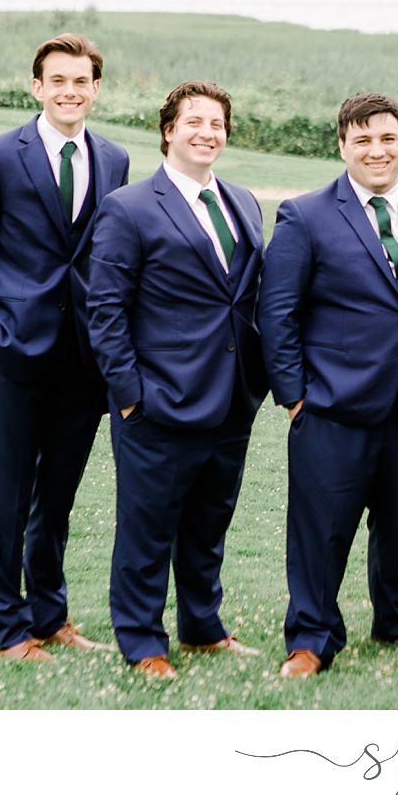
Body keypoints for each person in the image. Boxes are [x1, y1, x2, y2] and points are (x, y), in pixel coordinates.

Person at [258, 93, 398, 678]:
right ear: (342, 146)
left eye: (387, 139)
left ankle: (397, 622)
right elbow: (277, 313)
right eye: (362, 141)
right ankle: (311, 638)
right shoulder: (305, 216)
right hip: (331, 403)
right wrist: (294, 395)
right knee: (320, 527)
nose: (376, 151)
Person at [0, 33, 130, 661]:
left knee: (57, 496)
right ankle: (8, 626)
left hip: (83, 360)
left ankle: (51, 616)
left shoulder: (115, 159)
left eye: (81, 82)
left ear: (96, 89)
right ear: (37, 87)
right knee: (7, 495)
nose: (70, 92)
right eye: (58, 81)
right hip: (13, 354)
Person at [84, 81, 268, 678]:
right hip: (158, 401)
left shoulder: (243, 201)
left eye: (217, 123)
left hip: (231, 397)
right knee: (147, 529)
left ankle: (202, 628)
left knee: (209, 523)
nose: (206, 132)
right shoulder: (130, 206)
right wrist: (130, 396)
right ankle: (142, 642)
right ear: (168, 130)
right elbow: (105, 311)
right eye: (193, 122)